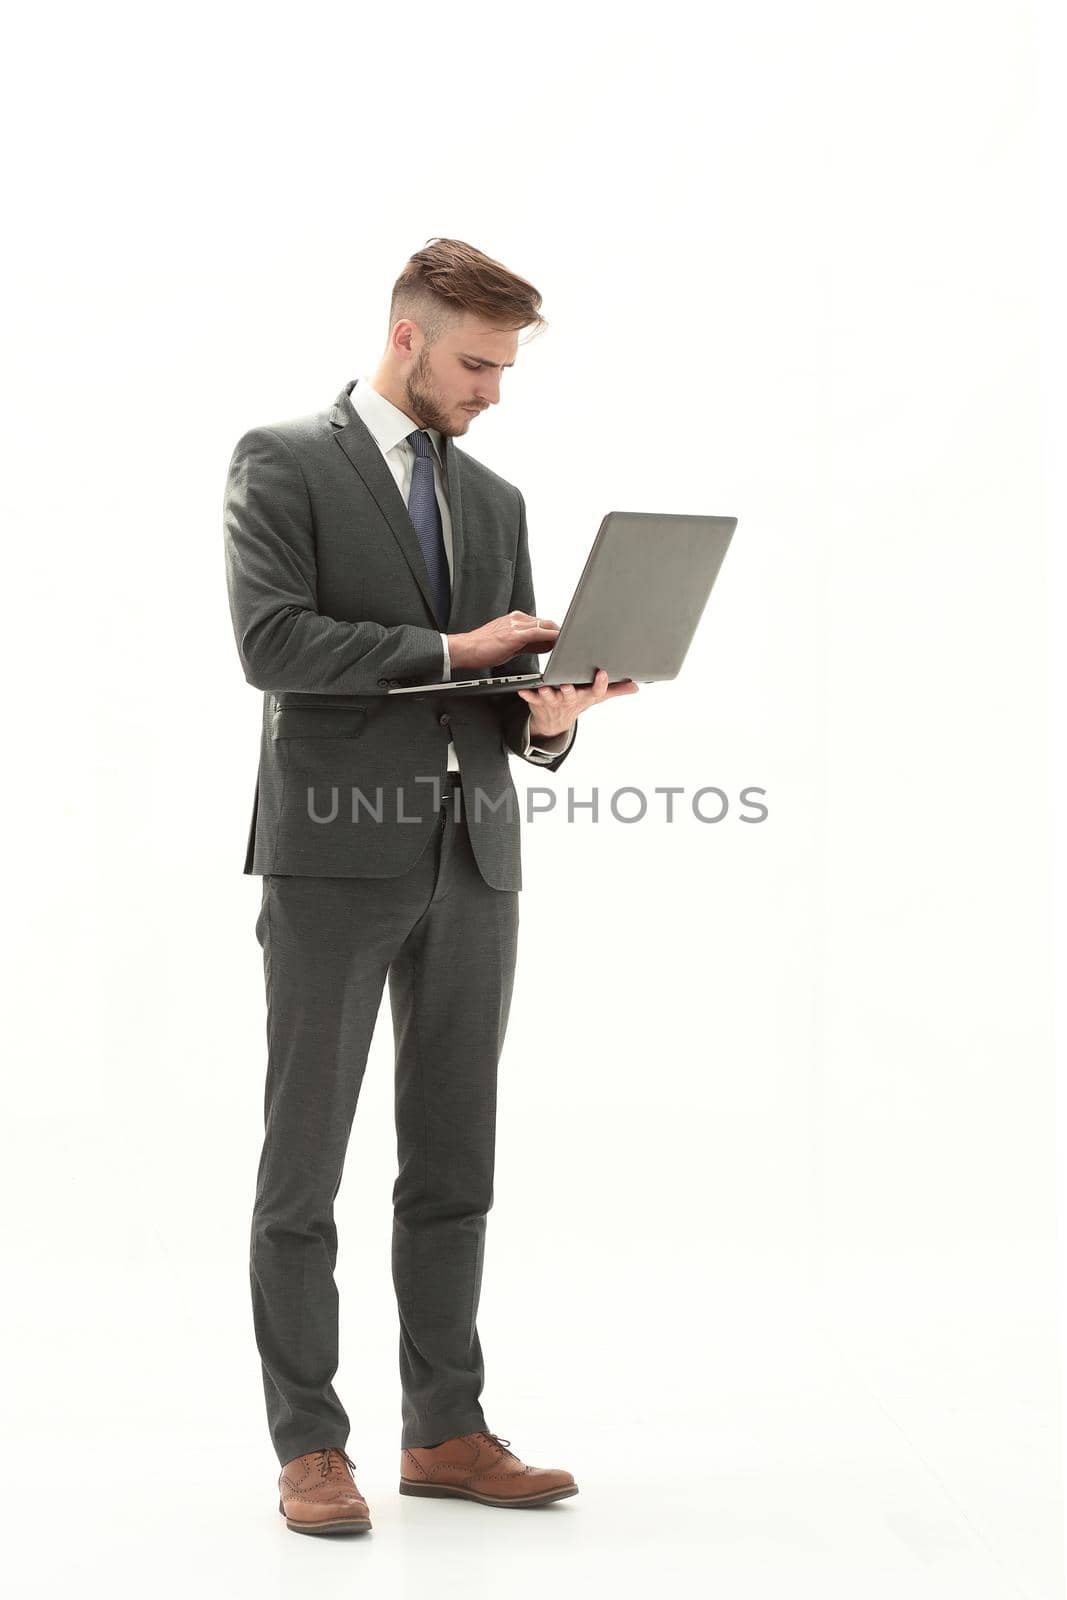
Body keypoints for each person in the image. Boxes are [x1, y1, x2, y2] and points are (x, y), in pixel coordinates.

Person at [223, 237, 638, 1535]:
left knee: (453, 1164)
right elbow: (271, 641)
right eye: (477, 363)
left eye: (506, 368)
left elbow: (502, 708)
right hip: (333, 858)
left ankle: (447, 1431)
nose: (493, 390)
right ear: (407, 336)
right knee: (305, 1168)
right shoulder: (283, 459)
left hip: (473, 857)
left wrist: (557, 714)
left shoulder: (497, 500)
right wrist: (454, 644)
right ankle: (310, 1447)